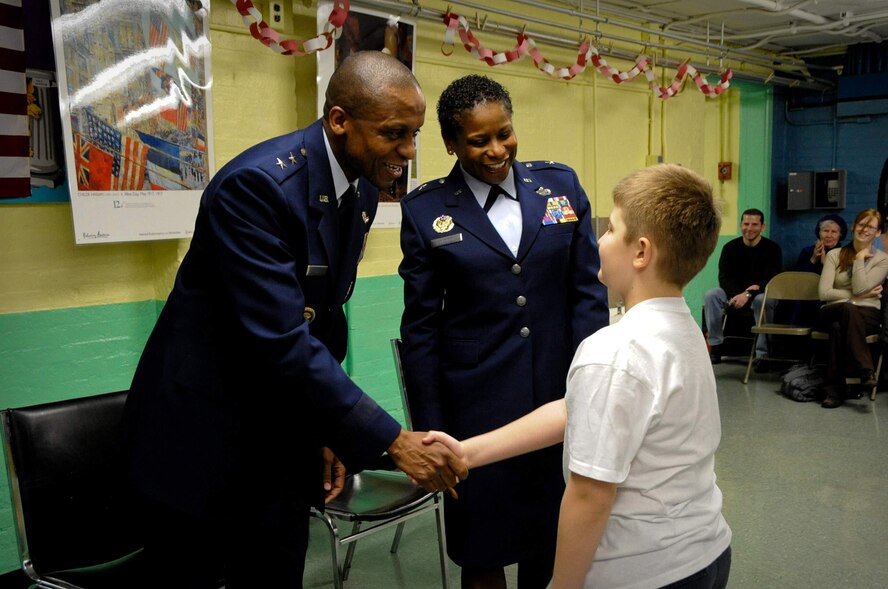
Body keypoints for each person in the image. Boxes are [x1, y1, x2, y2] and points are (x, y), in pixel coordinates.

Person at [123, 52, 468, 589]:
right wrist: (391, 440)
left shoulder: (362, 189)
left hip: (278, 444)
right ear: (339, 121)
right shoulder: (257, 190)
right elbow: (282, 341)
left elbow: (324, 324)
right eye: (394, 133)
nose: (408, 151)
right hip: (204, 442)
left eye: (415, 133)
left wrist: (329, 430)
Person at [424, 163, 732, 589]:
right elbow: (577, 409)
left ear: (641, 252)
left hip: (643, 571)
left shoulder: (613, 352)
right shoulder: (683, 330)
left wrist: (562, 585)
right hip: (704, 552)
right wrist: (469, 452)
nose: (599, 239)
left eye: (611, 228)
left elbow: (590, 496)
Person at [398, 74, 609, 589]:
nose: (497, 150)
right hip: (476, 409)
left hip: (559, 399)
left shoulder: (560, 186)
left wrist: (596, 388)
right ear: (450, 143)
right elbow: (421, 328)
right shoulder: (426, 210)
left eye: (505, 134)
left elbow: (588, 296)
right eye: (478, 140)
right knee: (483, 549)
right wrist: (430, 429)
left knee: (551, 537)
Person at [817, 208, 888, 409]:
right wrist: (859, 296)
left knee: (839, 328)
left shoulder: (883, 259)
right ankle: (865, 368)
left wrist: (858, 260)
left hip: (867, 315)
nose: (865, 230)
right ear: (853, 227)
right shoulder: (834, 254)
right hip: (832, 310)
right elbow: (824, 293)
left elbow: (859, 286)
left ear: (877, 233)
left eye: (871, 227)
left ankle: (832, 392)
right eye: (861, 224)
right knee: (847, 309)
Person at [703, 208, 782, 364]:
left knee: (762, 300)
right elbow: (724, 278)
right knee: (711, 295)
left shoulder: (772, 249)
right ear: (741, 225)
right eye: (746, 224)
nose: (750, 228)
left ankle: (762, 354)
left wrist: (747, 295)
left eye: (754, 224)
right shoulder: (730, 248)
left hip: (760, 294)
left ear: (762, 227)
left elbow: (770, 279)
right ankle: (716, 347)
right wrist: (739, 294)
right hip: (734, 294)